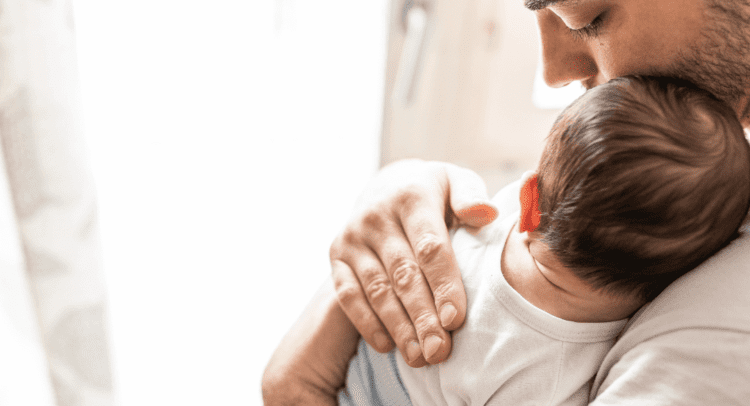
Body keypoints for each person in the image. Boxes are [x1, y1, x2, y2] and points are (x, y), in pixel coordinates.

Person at [264, 1, 750, 404]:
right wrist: (396, 207)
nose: (554, 72)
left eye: (588, 17)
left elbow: (289, 386)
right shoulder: (702, 209)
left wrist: (298, 377)